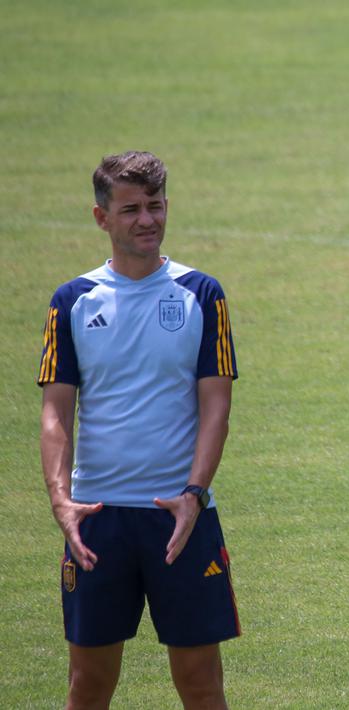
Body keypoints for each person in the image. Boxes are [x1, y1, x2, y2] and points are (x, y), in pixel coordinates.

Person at [38, 151, 240, 709]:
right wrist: (63, 504)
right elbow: (56, 413)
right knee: (89, 684)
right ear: (102, 218)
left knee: (201, 683)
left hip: (181, 516)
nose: (146, 220)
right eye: (131, 210)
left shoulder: (201, 295)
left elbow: (216, 407)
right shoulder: (73, 302)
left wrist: (194, 494)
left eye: (155, 207)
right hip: (97, 519)